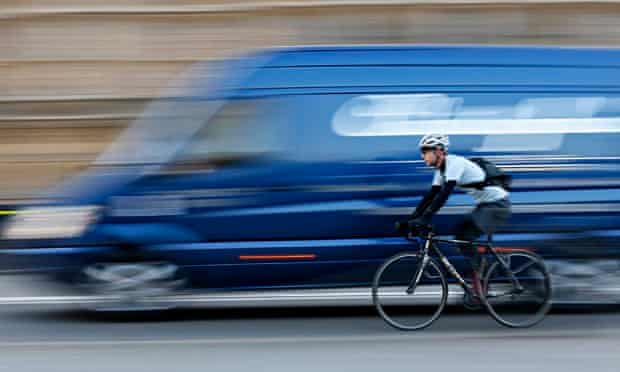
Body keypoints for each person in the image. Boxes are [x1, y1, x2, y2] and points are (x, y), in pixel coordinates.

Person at [397, 134, 512, 302]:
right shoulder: (440, 170)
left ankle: (483, 273)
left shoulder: (454, 163)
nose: (423, 156)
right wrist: (412, 219)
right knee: (460, 234)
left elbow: (444, 194)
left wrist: (425, 218)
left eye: (425, 151)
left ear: (439, 151)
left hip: (497, 205)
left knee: (466, 234)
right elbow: (431, 196)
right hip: (485, 205)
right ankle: (479, 277)